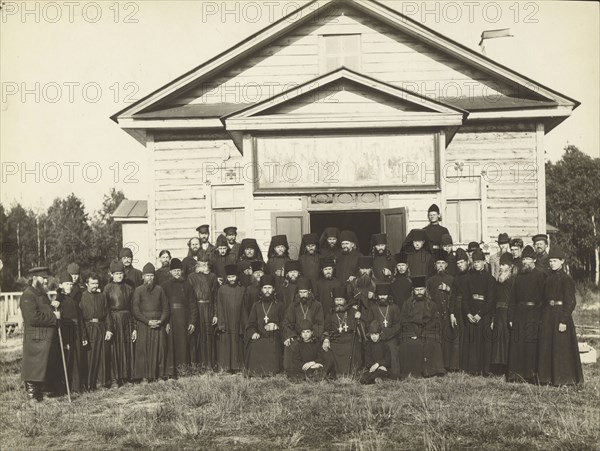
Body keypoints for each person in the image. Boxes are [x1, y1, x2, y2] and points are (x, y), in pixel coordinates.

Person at [537, 246, 583, 386]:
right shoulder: (548, 278)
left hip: (560, 316)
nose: (552, 263)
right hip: (548, 315)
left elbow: (571, 302)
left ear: (562, 261)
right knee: (547, 345)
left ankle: (563, 378)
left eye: (555, 261)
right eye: (550, 261)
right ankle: (546, 378)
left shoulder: (566, 279)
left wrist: (563, 320)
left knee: (560, 347)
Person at [20, 267, 60, 401]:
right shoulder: (28, 295)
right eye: (44, 279)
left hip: (44, 339)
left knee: (43, 367)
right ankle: (32, 396)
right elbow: (33, 317)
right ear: (35, 278)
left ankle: (41, 394)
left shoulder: (41, 294)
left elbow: (44, 310)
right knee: (33, 367)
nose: (46, 282)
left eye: (47, 279)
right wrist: (54, 317)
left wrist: (52, 306)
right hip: (35, 338)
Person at [506, 245, 545, 383]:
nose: (526, 262)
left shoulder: (541, 275)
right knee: (518, 343)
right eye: (524, 259)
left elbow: (543, 299)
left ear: (534, 260)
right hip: (519, 314)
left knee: (531, 344)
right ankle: (516, 375)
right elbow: (512, 299)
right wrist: (510, 316)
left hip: (534, 314)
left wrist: (541, 317)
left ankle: (531, 375)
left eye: (529, 259)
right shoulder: (518, 277)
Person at [398, 276, 446, 379]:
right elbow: (403, 320)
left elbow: (435, 320)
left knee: (433, 343)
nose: (419, 292)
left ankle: (432, 371)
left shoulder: (432, 304)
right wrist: (414, 333)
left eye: (421, 289)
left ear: (425, 290)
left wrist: (424, 331)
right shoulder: (407, 304)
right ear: (413, 291)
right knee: (409, 344)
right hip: (411, 330)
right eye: (417, 290)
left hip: (427, 330)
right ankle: (413, 373)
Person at [132, 263, 170, 382]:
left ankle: (159, 375)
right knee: (144, 351)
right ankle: (144, 377)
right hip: (144, 324)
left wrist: (161, 320)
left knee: (160, 350)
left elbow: (166, 308)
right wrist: (147, 321)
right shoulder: (138, 290)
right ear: (143, 277)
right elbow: (135, 310)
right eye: (147, 275)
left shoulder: (160, 289)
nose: (150, 278)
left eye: (152, 275)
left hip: (158, 324)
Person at [461, 249, 495, 376]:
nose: (476, 264)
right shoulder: (468, 278)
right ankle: (473, 369)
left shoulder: (490, 279)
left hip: (484, 314)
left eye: (479, 262)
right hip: (471, 310)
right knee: (473, 341)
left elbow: (491, 300)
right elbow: (465, 298)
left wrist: (480, 314)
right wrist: (468, 313)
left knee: (484, 342)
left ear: (484, 262)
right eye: (475, 262)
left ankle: (485, 369)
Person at [163, 258, 198, 378]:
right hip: (171, 318)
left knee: (184, 345)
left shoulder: (187, 285)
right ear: (170, 272)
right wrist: (166, 322)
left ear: (181, 271)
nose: (177, 273)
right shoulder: (165, 286)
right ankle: (172, 373)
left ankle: (184, 371)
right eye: (174, 271)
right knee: (171, 345)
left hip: (184, 318)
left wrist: (192, 322)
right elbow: (164, 305)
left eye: (179, 270)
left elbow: (193, 305)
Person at [103, 260, 136, 386]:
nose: (119, 276)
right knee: (115, 349)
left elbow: (133, 308)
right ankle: (116, 378)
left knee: (127, 348)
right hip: (114, 320)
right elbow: (106, 309)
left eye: (121, 273)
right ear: (112, 274)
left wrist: (134, 327)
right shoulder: (107, 288)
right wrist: (109, 326)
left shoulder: (129, 288)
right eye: (116, 273)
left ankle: (127, 377)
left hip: (127, 320)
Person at [245, 275, 285, 377]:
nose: (267, 291)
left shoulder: (279, 305)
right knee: (253, 346)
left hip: (274, 337)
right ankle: (255, 373)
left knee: (272, 345)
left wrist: (277, 326)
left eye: (269, 288)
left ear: (273, 289)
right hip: (259, 336)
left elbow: (285, 323)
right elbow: (250, 324)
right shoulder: (256, 305)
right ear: (261, 290)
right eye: (265, 288)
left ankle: (270, 372)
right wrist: (253, 333)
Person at [427, 249, 459, 371]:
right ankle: (437, 365)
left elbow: (456, 296)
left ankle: (448, 365)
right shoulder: (430, 280)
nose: (440, 265)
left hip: (448, 313)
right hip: (436, 314)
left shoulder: (451, 279)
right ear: (435, 265)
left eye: (442, 263)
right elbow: (428, 297)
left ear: (446, 265)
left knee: (447, 339)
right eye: (438, 263)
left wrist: (448, 289)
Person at [283, 278, 324, 373]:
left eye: (305, 292)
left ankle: (311, 366)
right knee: (290, 345)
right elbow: (288, 322)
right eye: (300, 292)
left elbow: (320, 323)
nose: (302, 295)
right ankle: (293, 369)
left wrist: (311, 335)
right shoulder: (293, 306)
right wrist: (291, 336)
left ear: (310, 292)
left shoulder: (317, 305)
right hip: (297, 337)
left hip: (311, 336)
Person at [56, 270, 88, 393]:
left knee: (77, 358)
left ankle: (76, 386)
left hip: (77, 332)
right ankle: (65, 387)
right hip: (66, 333)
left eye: (70, 284)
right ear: (61, 285)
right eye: (66, 284)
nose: (69, 286)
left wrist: (83, 335)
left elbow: (80, 319)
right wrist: (64, 339)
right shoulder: (59, 300)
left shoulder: (74, 300)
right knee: (67, 359)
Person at [322, 286, 363, 378]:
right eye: (337, 300)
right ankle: (336, 374)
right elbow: (326, 328)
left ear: (345, 301)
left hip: (349, 338)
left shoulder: (352, 311)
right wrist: (326, 339)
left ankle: (352, 373)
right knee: (330, 348)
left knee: (352, 346)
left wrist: (358, 317)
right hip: (336, 338)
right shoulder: (331, 313)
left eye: (341, 300)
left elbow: (359, 328)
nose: (338, 303)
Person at [80, 274, 112, 390]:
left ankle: (102, 383)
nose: (95, 286)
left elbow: (107, 314)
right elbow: (80, 318)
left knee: (102, 356)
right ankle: (89, 384)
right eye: (92, 283)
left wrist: (109, 329)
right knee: (90, 357)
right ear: (87, 284)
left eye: (97, 283)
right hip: (89, 328)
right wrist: (83, 335)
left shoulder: (102, 296)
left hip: (101, 327)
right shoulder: (82, 296)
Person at [364, 283, 402, 379]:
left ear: (388, 296)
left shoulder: (394, 307)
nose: (382, 297)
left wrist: (388, 334)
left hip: (390, 338)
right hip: (376, 338)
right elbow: (368, 323)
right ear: (377, 296)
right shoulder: (373, 308)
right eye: (380, 295)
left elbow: (398, 325)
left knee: (392, 349)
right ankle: (378, 373)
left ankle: (393, 375)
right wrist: (376, 333)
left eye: (384, 295)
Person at [187, 259, 219, 370]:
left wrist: (215, 314)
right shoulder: (191, 277)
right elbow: (189, 297)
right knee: (197, 336)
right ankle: (197, 365)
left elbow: (215, 296)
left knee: (208, 336)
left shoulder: (212, 276)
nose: (203, 265)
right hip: (196, 309)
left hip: (208, 309)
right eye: (200, 263)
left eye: (205, 263)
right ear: (197, 264)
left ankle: (209, 364)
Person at [215, 264, 246, 372]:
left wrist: (243, 322)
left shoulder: (242, 289)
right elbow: (219, 305)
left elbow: (244, 307)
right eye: (229, 277)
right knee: (226, 342)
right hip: (226, 320)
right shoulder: (222, 289)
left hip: (238, 320)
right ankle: (226, 366)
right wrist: (221, 322)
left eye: (233, 277)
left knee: (237, 342)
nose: (231, 279)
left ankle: (237, 366)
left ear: (236, 277)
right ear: (226, 278)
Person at [490, 253, 514, 374]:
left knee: (507, 340)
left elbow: (513, 300)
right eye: (501, 265)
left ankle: (506, 367)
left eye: (505, 265)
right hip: (498, 314)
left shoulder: (513, 281)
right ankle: (497, 367)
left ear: (510, 267)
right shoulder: (497, 282)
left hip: (507, 313)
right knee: (498, 340)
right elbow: (494, 300)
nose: (502, 267)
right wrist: (493, 319)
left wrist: (511, 317)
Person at [360, 320, 391, 385]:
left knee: (383, 372)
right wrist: (374, 366)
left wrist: (378, 364)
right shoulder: (368, 346)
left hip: (383, 368)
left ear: (380, 334)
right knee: (363, 378)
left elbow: (388, 360)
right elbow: (367, 361)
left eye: (376, 334)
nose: (374, 337)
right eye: (372, 334)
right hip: (372, 369)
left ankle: (374, 379)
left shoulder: (385, 345)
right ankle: (376, 379)